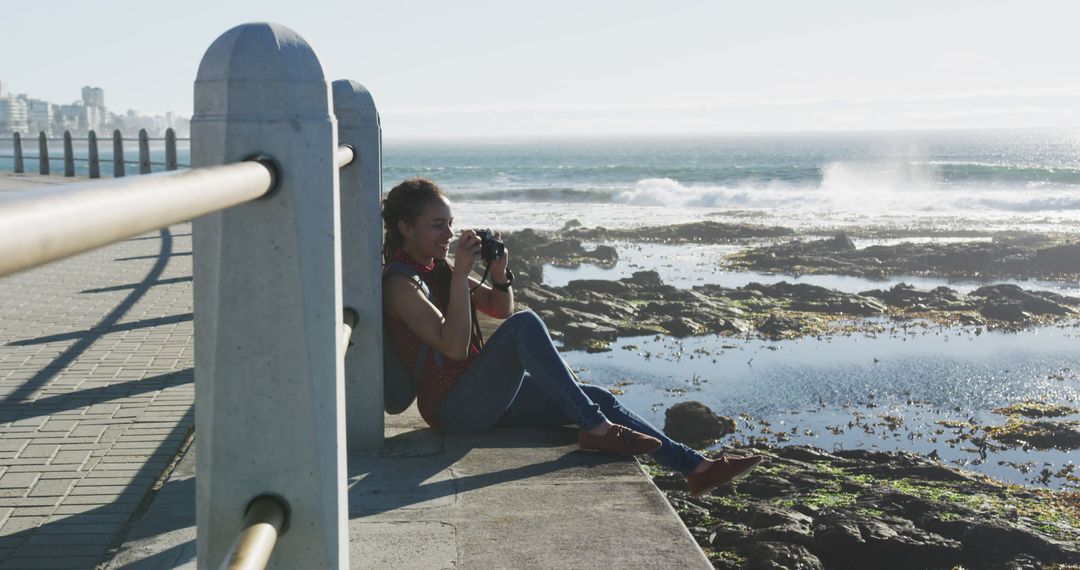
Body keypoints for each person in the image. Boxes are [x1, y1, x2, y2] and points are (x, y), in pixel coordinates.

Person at [381, 177, 763, 496]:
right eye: (438, 225)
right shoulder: (400, 283)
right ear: (405, 227)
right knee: (527, 326)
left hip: (482, 392)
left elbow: (500, 310)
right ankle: (596, 430)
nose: (449, 233)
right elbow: (454, 345)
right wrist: (462, 275)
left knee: (597, 399)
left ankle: (696, 468)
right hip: (453, 409)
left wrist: (499, 274)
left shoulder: (438, 267)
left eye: (451, 223)